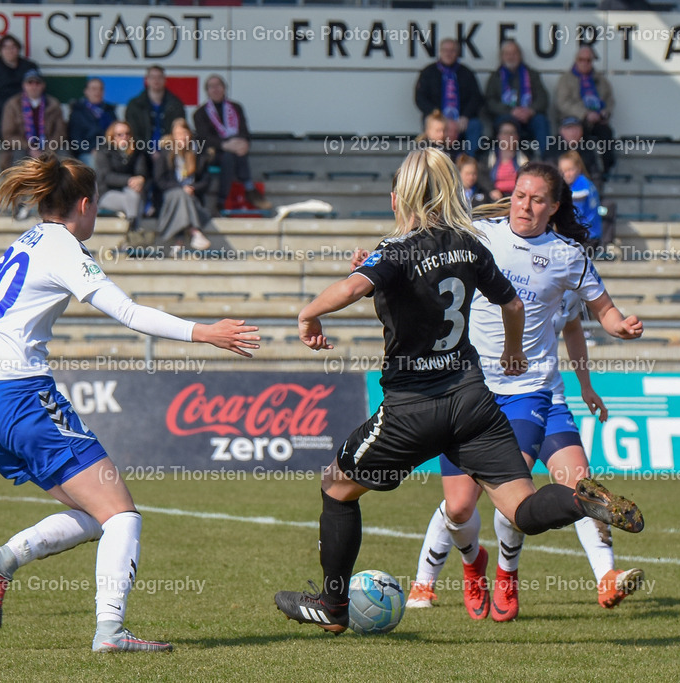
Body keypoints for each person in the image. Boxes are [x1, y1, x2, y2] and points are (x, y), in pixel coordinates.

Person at [273, 149, 644, 634]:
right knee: (522, 509)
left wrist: (308, 314)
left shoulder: (399, 247)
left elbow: (349, 290)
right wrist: (514, 351)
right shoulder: (471, 245)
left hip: (413, 408)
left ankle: (334, 605)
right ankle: (579, 502)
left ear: (401, 196)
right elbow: (512, 303)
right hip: (474, 400)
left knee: (337, 487)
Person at [0, 153, 259, 652]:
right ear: (84, 204)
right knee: (123, 516)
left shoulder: (26, 240)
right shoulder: (63, 245)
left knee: (96, 513)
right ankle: (111, 631)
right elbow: (126, 311)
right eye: (97, 204)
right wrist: (204, 332)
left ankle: (5, 559)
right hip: (24, 399)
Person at [401, 163, 644, 622]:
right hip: (466, 388)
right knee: (458, 506)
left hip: (532, 392)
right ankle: (474, 565)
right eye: (518, 196)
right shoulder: (479, 235)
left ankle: (551, 576)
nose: (525, 206)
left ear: (553, 208)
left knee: (540, 490)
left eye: (536, 200)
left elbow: (600, 312)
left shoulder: (568, 256)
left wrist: (622, 327)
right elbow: (419, 249)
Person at [192, 74, 270, 212]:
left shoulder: (236, 107)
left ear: (224, 88)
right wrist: (224, 145)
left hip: (235, 150)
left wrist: (244, 144)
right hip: (212, 153)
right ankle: (249, 188)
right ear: (207, 91)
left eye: (218, 86)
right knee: (229, 156)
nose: (215, 89)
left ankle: (221, 202)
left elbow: (244, 131)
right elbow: (204, 138)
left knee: (232, 155)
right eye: (211, 87)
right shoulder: (200, 113)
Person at [414, 38, 485, 157]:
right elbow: (420, 98)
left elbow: (476, 98)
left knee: (475, 125)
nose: (448, 53)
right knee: (433, 125)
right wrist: (438, 116)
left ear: (457, 53)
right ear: (440, 52)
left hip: (461, 120)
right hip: (437, 117)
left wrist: (466, 116)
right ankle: (434, 161)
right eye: (445, 50)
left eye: (452, 51)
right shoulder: (428, 72)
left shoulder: (466, 73)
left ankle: (468, 163)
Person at [554, 46, 616, 180]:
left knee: (606, 133)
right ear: (576, 60)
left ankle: (606, 169)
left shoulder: (600, 80)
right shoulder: (566, 79)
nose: (585, 63)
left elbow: (609, 100)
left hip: (597, 120)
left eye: (588, 60)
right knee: (580, 134)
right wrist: (584, 114)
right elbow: (562, 103)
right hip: (575, 119)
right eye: (581, 60)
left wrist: (605, 113)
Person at [153, 118, 214, 250]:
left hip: (192, 198)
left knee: (183, 197)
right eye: (178, 134)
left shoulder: (199, 154)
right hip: (169, 196)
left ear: (190, 135)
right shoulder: (165, 153)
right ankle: (195, 232)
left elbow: (206, 180)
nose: (182, 138)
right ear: (173, 136)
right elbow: (160, 180)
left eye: (185, 134)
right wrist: (181, 189)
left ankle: (179, 241)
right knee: (180, 195)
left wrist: (192, 188)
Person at [484, 40, 551, 156]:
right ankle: (505, 162)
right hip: (506, 116)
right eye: (507, 54)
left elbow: (543, 98)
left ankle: (545, 158)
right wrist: (511, 111)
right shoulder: (495, 77)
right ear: (502, 57)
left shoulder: (532, 74)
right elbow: (489, 102)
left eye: (514, 53)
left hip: (530, 117)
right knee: (505, 125)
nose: (511, 57)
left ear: (520, 55)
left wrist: (530, 110)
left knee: (541, 121)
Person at [0, 69, 67, 172]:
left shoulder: (53, 104)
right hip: (23, 147)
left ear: (43, 85)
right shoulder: (13, 104)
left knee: (65, 158)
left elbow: (60, 132)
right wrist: (31, 148)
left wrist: (47, 150)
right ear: (24, 85)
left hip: (49, 147)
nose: (34, 86)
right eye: (30, 83)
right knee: (18, 157)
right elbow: (8, 135)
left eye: (37, 83)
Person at [0, 34, 38, 138]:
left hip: (25, 111)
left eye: (13, 47)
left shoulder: (29, 66)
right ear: (0, 50)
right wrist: (7, 108)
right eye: (5, 47)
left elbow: (37, 89)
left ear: (18, 49)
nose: (10, 50)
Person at [96, 121, 149, 233]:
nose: (124, 137)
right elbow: (107, 177)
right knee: (134, 198)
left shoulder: (136, 151)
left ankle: (131, 227)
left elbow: (141, 172)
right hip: (107, 193)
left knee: (134, 195)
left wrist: (140, 179)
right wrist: (129, 180)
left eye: (127, 133)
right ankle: (134, 229)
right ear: (112, 136)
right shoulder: (104, 151)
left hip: (131, 192)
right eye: (120, 134)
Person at [125, 65, 187, 159]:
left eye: (159, 77)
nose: (156, 80)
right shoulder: (135, 105)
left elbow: (180, 131)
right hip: (141, 153)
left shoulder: (175, 104)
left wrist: (166, 149)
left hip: (170, 153)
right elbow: (132, 133)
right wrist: (149, 150)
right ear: (147, 80)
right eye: (153, 77)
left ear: (165, 80)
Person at [558, 151, 603, 253]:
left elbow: (574, 216)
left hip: (586, 238)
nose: (566, 174)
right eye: (562, 171)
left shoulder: (580, 187)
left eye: (570, 170)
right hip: (591, 235)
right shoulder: (586, 182)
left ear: (579, 168)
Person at [68, 78, 117, 168]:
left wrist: (106, 149)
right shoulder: (77, 112)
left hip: (108, 151)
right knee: (95, 162)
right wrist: (91, 150)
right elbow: (75, 138)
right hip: (87, 153)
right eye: (94, 89)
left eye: (100, 89)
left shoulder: (109, 111)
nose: (97, 92)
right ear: (86, 91)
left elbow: (115, 134)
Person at [481, 120, 530, 201]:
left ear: (517, 137)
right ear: (498, 136)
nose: (509, 136)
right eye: (505, 133)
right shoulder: (488, 157)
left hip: (519, 197)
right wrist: (491, 189)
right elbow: (482, 175)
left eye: (512, 133)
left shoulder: (526, 156)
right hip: (495, 198)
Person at [546, 116, 601, 183]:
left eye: (576, 128)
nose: (573, 132)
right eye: (569, 128)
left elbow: (595, 175)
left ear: (581, 131)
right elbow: (548, 176)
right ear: (561, 131)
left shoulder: (587, 148)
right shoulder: (552, 149)